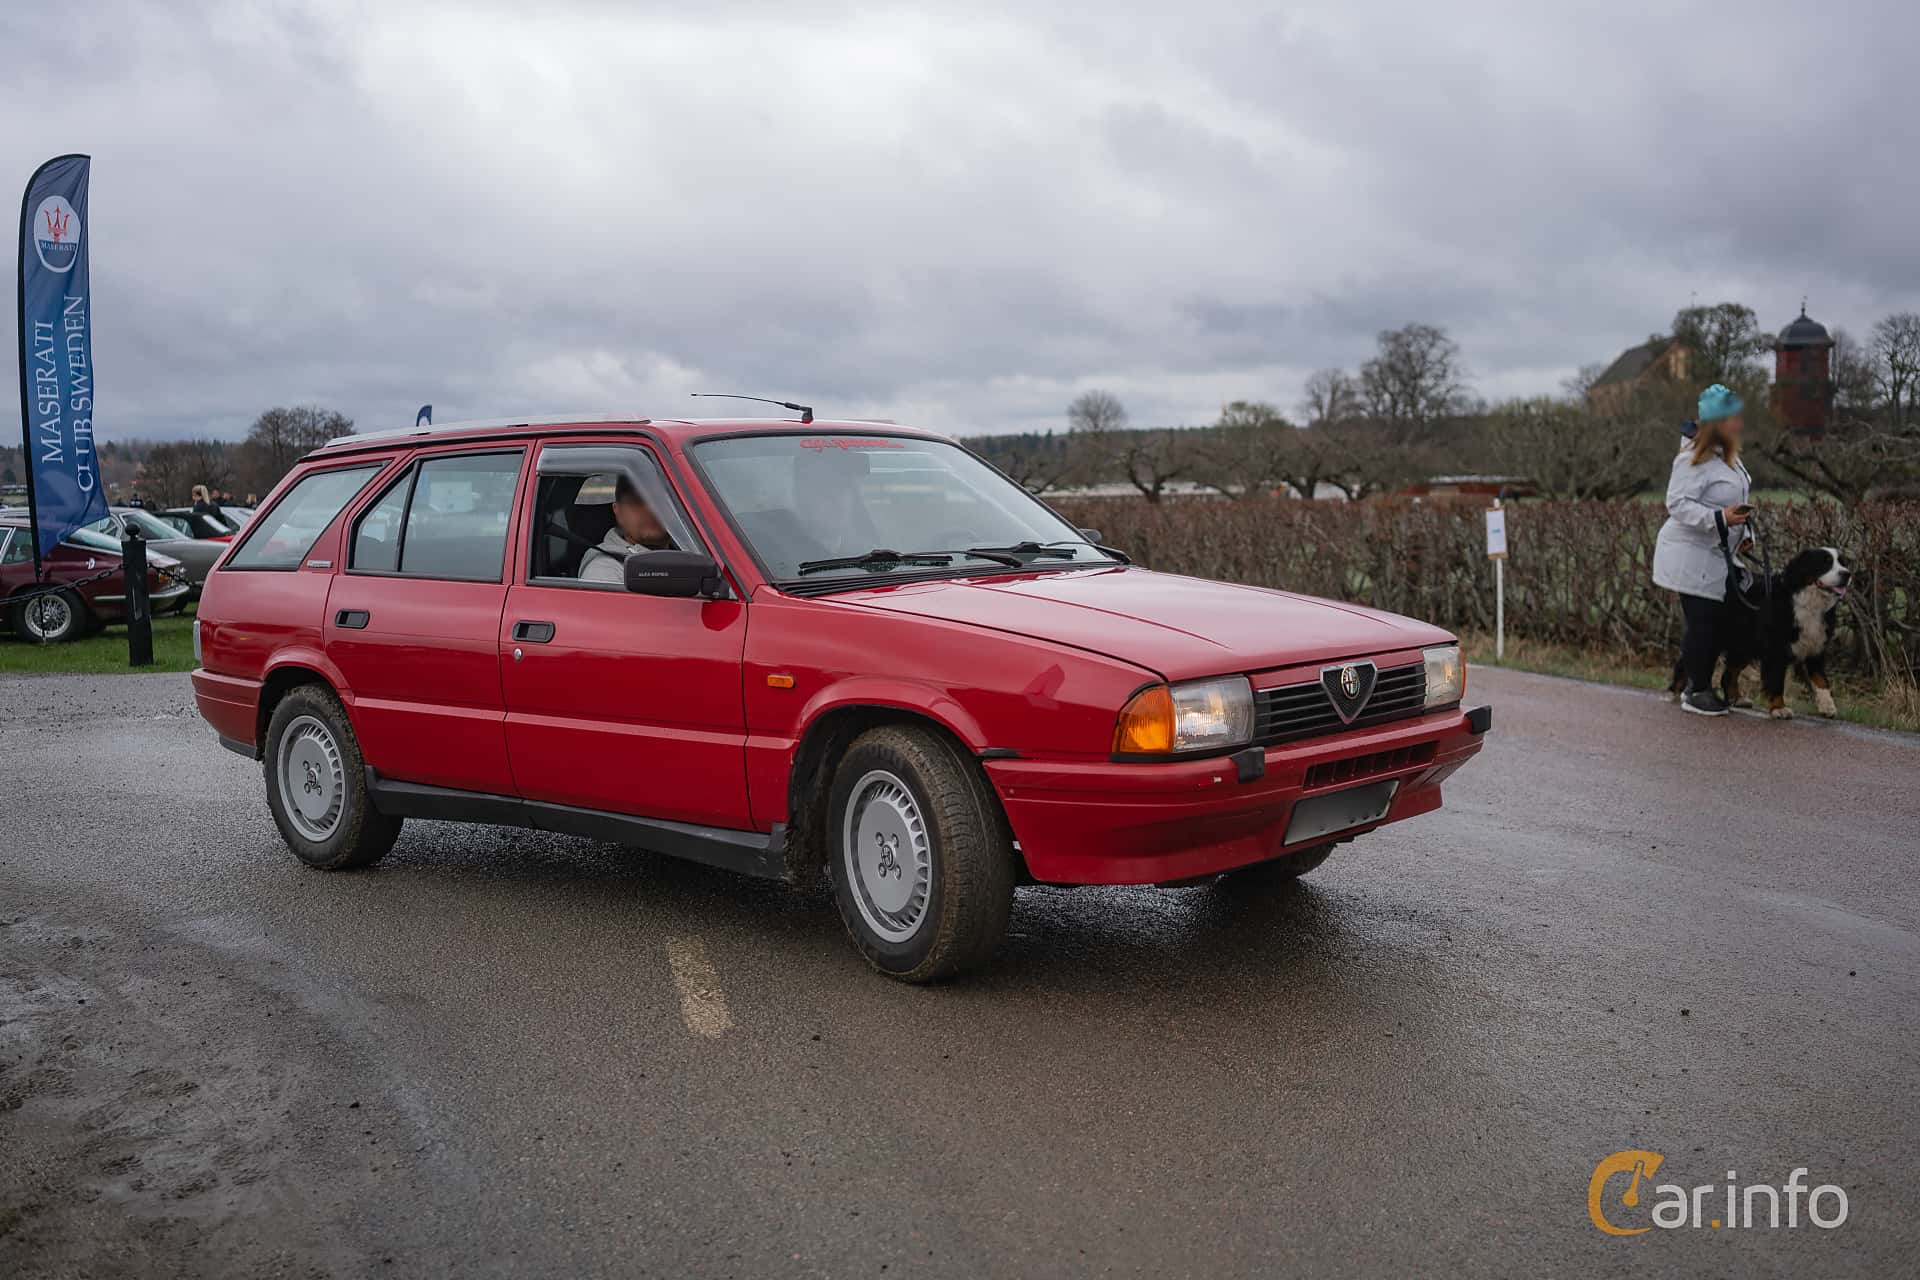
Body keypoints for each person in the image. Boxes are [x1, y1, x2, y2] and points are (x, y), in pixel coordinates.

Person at [1652, 383, 1753, 716]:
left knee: (1724, 621)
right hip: (1690, 554)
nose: (1739, 422)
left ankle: (1687, 677)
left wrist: (1745, 529)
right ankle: (1696, 690)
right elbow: (1677, 503)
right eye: (1733, 416)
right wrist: (1720, 518)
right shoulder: (1692, 458)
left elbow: (1734, 501)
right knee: (1705, 622)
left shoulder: (1728, 457)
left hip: (1719, 554)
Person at [579, 474, 673, 584]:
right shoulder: (605, 571)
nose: (651, 510)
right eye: (637, 502)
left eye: (660, 501)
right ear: (617, 511)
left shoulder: (693, 546)